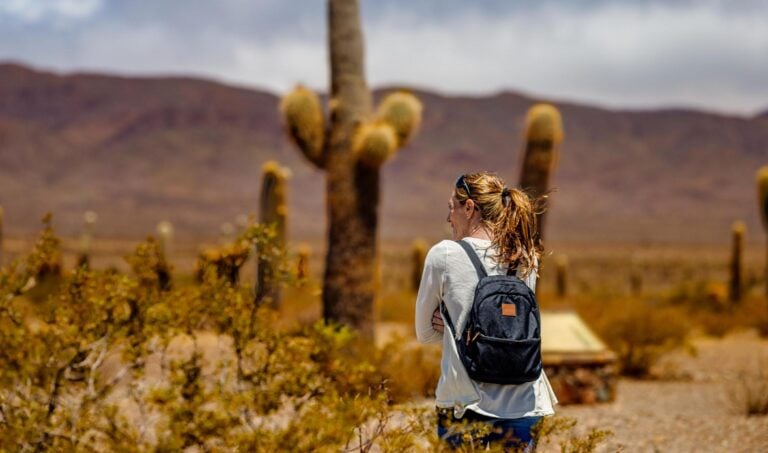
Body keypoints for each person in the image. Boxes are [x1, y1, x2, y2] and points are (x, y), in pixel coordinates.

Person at [415, 172, 557, 451]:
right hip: (527, 401)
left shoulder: (443, 255)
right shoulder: (525, 256)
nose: (448, 218)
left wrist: (455, 326)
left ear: (469, 208)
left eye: (451, 208)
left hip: (464, 402)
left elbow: (424, 334)